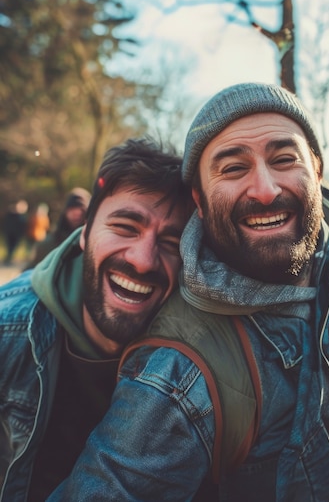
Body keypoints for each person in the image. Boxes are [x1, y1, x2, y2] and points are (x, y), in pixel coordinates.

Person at [48, 83, 329, 502]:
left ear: (317, 173)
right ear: (200, 200)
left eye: (285, 159)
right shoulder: (179, 369)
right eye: (232, 168)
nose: (265, 189)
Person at [0, 137, 191, 502]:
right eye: (125, 227)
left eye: (170, 242)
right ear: (85, 232)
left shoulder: (195, 361)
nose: (143, 259)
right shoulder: (7, 332)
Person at [26, 187, 91, 268]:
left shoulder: (93, 244)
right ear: (65, 211)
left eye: (81, 210)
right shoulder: (48, 244)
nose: (76, 214)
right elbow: (32, 271)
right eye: (72, 209)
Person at [2, 199, 28, 264]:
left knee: (13, 248)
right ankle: (8, 259)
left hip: (16, 235)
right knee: (10, 247)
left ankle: (9, 258)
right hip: (10, 234)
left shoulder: (22, 216)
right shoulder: (11, 215)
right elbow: (6, 224)